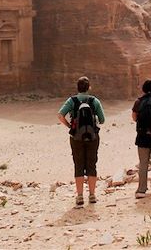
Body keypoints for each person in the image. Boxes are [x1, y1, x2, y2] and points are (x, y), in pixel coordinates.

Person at [57, 76, 106, 206]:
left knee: (78, 165)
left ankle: (79, 196)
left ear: (77, 88)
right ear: (89, 87)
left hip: (76, 138)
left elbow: (60, 115)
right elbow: (102, 120)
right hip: (92, 137)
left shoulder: (72, 101)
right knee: (92, 164)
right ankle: (92, 195)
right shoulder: (94, 101)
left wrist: (70, 126)